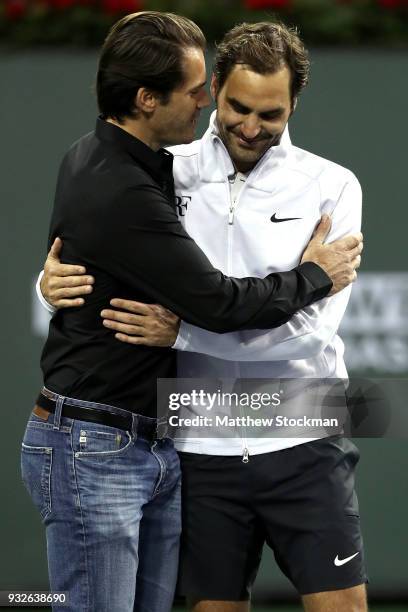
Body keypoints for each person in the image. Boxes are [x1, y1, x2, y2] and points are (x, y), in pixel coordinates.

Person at [34, 16, 365, 612]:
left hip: (304, 428)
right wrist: (47, 285)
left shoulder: (333, 185)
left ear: (295, 104)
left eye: (272, 115)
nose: (251, 127)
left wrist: (183, 334)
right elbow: (106, 253)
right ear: (214, 86)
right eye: (238, 107)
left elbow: (310, 331)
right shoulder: (167, 165)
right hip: (196, 438)